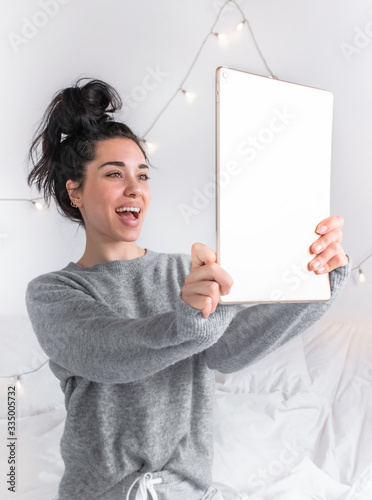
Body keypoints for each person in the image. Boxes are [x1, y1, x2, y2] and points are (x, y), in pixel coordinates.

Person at [24, 77, 352, 500]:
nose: (134, 189)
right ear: (75, 192)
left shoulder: (183, 272)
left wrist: (320, 277)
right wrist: (190, 322)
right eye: (114, 174)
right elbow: (107, 353)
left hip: (189, 492)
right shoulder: (52, 292)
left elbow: (226, 350)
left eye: (142, 175)